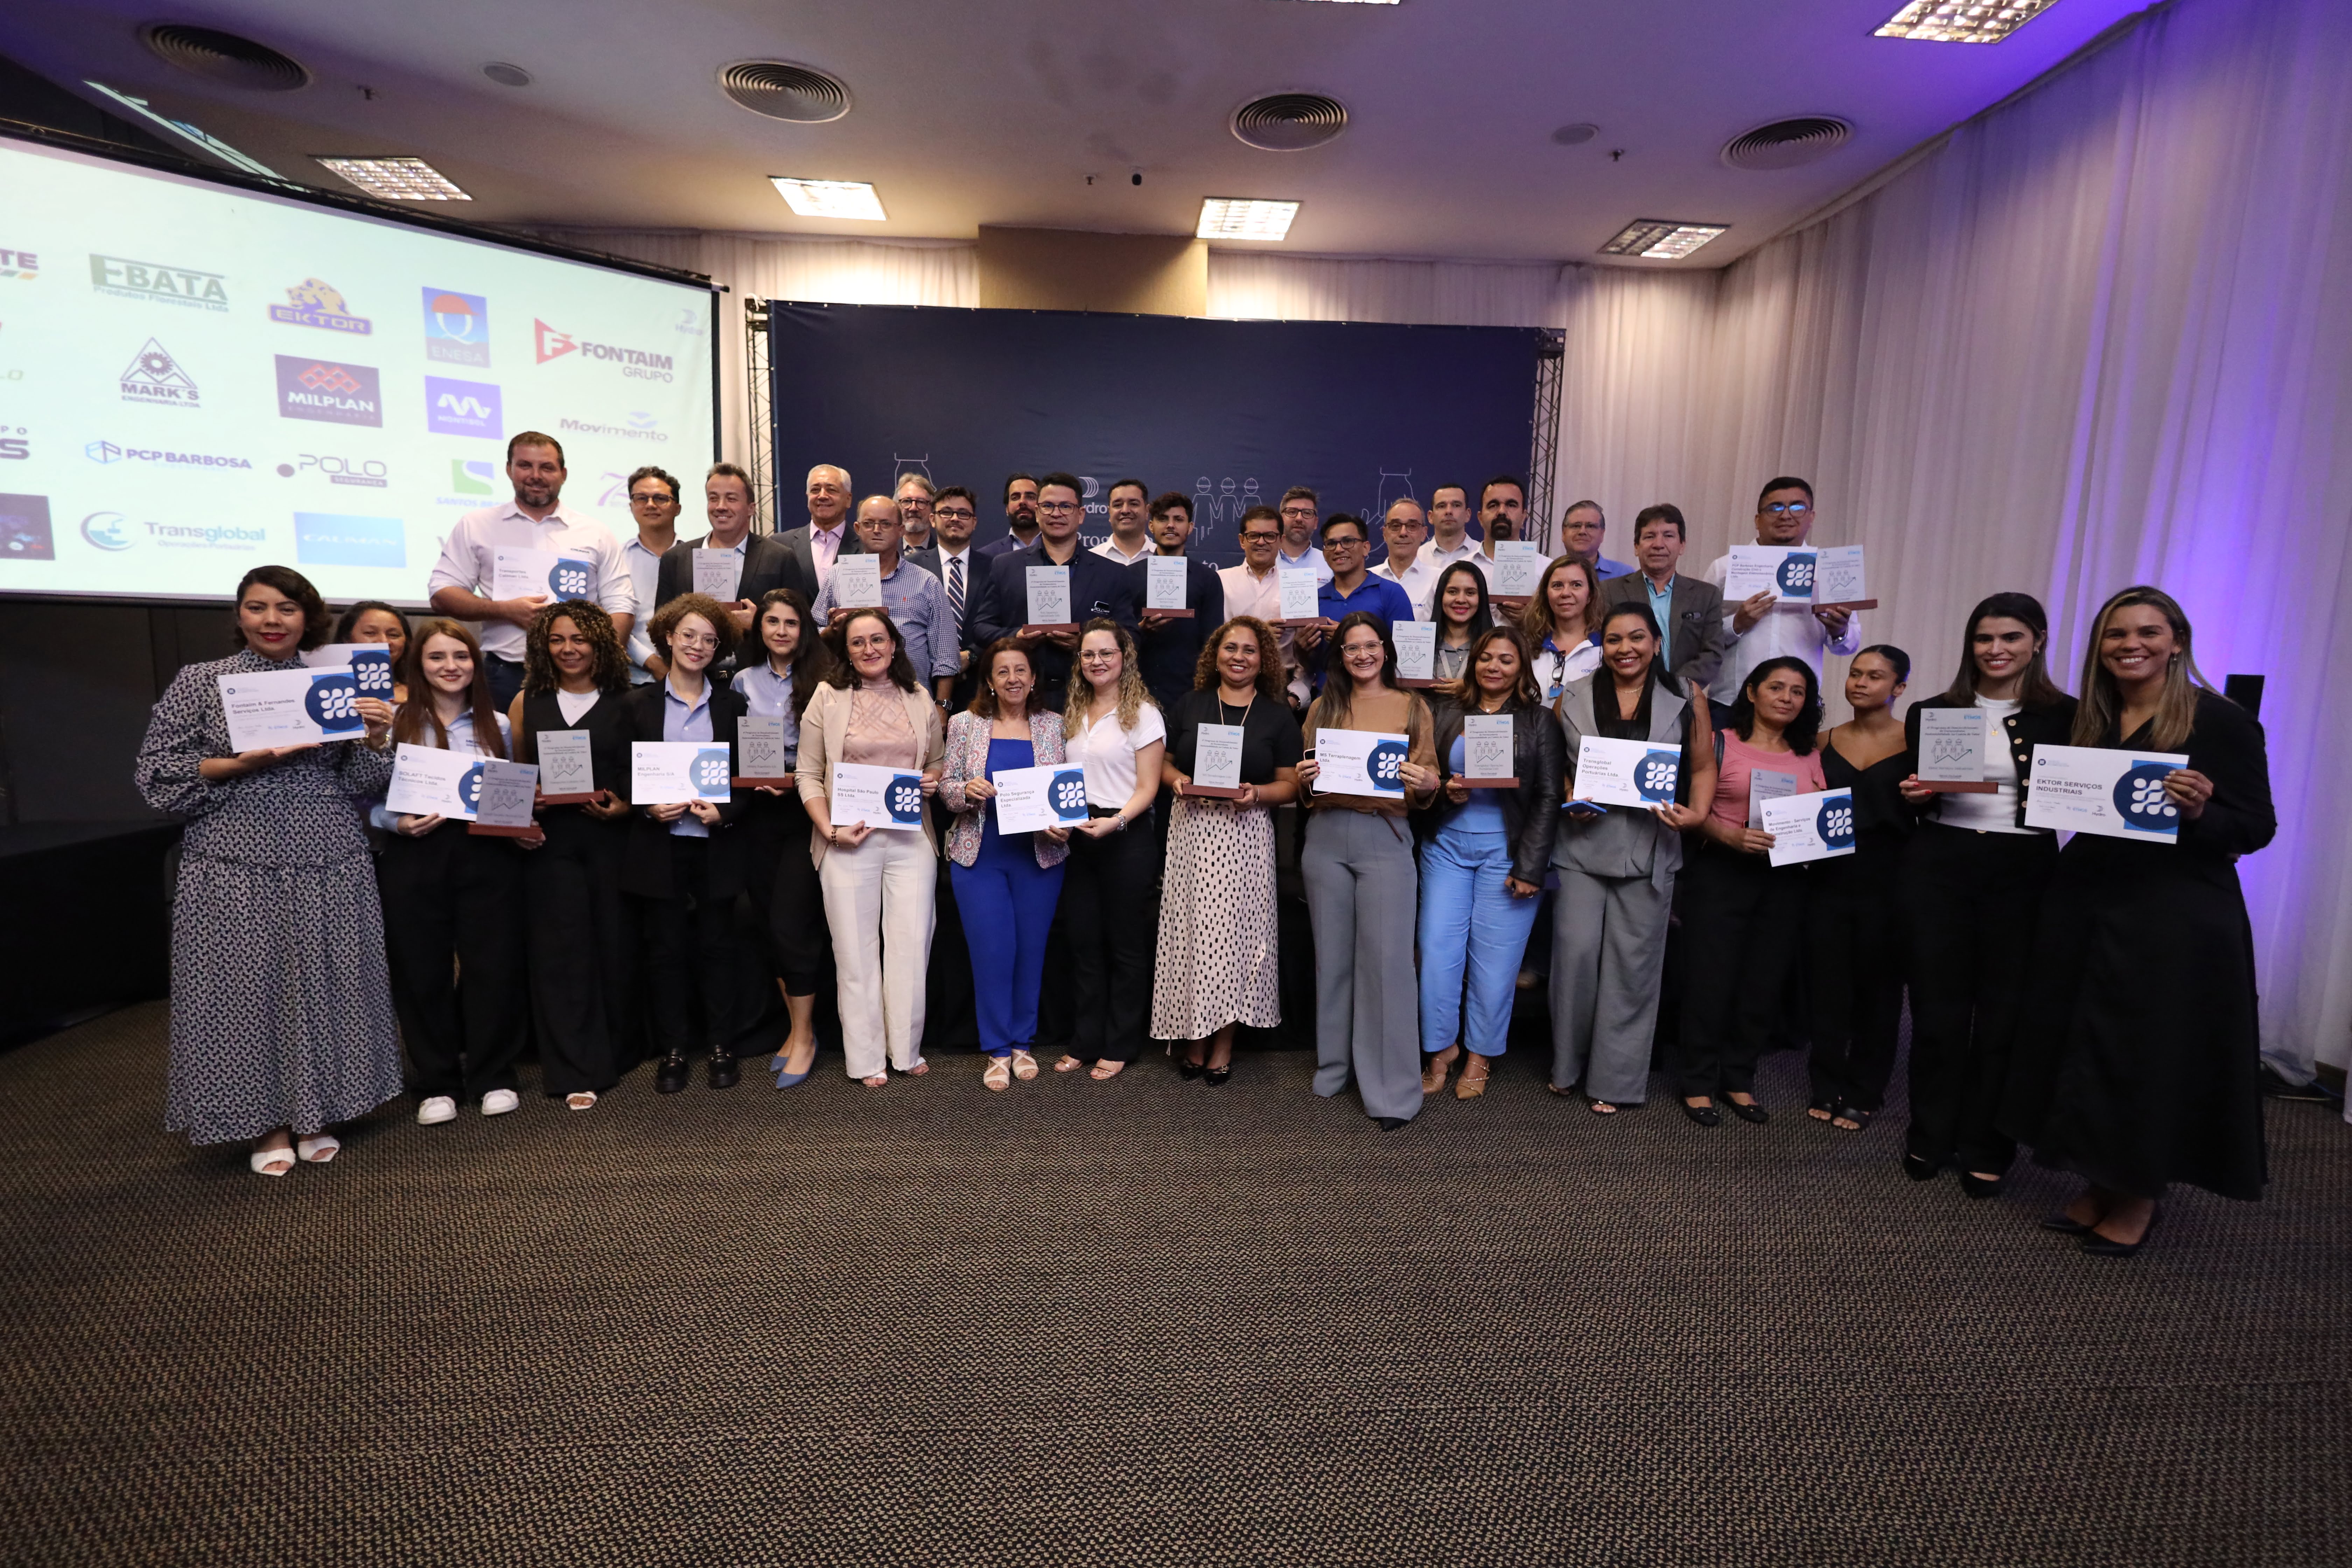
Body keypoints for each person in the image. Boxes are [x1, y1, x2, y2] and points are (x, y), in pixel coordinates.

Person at [2001, 587, 2275, 1256]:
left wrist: (2202, 812)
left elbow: (2257, 828)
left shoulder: (2221, 722)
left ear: (2177, 641)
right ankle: (2099, 1179)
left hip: (2173, 911)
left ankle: (2140, 1192)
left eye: (2148, 632)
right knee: (2086, 1041)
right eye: (2116, 633)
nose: (2131, 645)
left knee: (2150, 1052)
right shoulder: (2091, 717)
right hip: (2088, 900)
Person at [134, 565, 400, 1175]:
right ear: (239, 615)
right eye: (258, 608)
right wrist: (240, 763)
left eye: (286, 609)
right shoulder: (201, 681)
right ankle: (267, 1124)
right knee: (244, 992)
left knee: (331, 984)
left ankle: (320, 1112)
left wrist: (377, 738)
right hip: (234, 857)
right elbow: (157, 777)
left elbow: (361, 783)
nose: (272, 621)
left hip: (329, 853)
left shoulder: (334, 680)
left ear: (308, 618)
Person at [1893, 593, 2077, 1193]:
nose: (1996, 650)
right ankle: (1930, 1135)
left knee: (2004, 1019)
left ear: (2038, 641)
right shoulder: (1932, 710)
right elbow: (1918, 795)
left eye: (2011, 638)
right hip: (1940, 866)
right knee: (1937, 1014)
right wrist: (1914, 795)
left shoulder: (2069, 715)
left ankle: (1987, 1144)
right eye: (1984, 638)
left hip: (2024, 871)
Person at [1549, 605, 1714, 1114]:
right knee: (1575, 959)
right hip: (1583, 844)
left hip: (1650, 845)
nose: (1626, 649)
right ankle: (1567, 1065)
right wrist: (1569, 792)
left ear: (1657, 644)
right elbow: (1556, 765)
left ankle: (1615, 1080)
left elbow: (1703, 765)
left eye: (1637, 638)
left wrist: (1698, 814)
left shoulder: (1687, 695)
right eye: (1615, 639)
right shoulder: (1573, 694)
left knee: (1633, 967)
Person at [374, 617, 530, 1126]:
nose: (451, 666)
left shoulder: (497, 725)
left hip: (486, 855)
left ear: (476, 664)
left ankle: (493, 1074)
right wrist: (395, 822)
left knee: (492, 967)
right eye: (437, 656)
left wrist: (522, 823)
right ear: (419, 664)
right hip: (415, 853)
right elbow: (363, 797)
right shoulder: (395, 723)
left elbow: (509, 792)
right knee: (422, 970)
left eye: (461, 656)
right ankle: (437, 1081)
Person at [1296, 612, 1440, 1127]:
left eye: (1370, 645)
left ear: (1385, 650)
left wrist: (1427, 783)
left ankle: (1392, 1092)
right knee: (1332, 959)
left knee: (1387, 964)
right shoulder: (1322, 707)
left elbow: (1430, 781)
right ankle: (1336, 1066)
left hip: (1385, 836)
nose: (1362, 655)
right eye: (1351, 648)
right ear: (1340, 656)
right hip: (1326, 837)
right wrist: (1304, 778)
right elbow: (1308, 785)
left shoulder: (1412, 706)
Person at [797, 609, 948, 1086]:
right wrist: (830, 831)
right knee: (855, 953)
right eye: (858, 642)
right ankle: (865, 1059)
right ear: (845, 651)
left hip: (910, 840)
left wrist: (932, 780)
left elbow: (938, 761)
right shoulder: (827, 696)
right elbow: (807, 774)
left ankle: (905, 1050)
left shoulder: (918, 696)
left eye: (878, 640)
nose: (869, 650)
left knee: (911, 948)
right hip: (848, 840)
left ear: (894, 644)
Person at [1152, 616, 1303, 1084]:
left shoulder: (1277, 715)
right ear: (1215, 655)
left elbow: (1291, 784)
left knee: (1237, 941)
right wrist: (1177, 782)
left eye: (1249, 650)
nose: (1239, 657)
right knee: (1193, 938)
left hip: (1246, 837)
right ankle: (1194, 1035)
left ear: (1264, 660)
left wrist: (1257, 794)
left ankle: (1223, 1042)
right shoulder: (1190, 703)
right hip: (1192, 834)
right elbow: (1165, 764)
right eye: (1230, 648)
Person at [1676, 656, 1826, 1126]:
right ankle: (1697, 1081)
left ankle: (1739, 1079)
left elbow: (1820, 819)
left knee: (1762, 982)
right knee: (1709, 980)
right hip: (1721, 873)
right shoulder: (1719, 742)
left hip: (1785, 880)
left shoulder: (1810, 754)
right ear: (1751, 692)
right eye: (1776, 687)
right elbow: (1691, 812)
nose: (1787, 698)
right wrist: (1731, 836)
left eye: (1798, 691)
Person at [1417, 625, 1563, 1100]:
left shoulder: (1539, 721)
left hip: (1507, 854)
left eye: (1505, 659)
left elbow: (1548, 797)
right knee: (1437, 954)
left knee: (1495, 965)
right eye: (1485, 658)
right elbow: (1428, 778)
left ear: (1521, 669)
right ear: (1472, 663)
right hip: (1446, 849)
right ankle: (1442, 1048)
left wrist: (1531, 867)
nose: (1493, 667)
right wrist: (1446, 790)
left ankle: (1480, 1054)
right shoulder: (1445, 711)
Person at [620, 593, 755, 1094]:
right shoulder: (638, 704)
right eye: (689, 635)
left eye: (709, 640)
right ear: (669, 638)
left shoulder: (733, 705)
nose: (698, 646)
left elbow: (749, 775)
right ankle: (674, 1048)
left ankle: (721, 1044)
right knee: (666, 951)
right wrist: (646, 807)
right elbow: (621, 773)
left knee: (719, 948)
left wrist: (726, 812)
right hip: (660, 846)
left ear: (719, 648)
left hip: (715, 844)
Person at [506, 600, 637, 1110]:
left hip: (611, 840)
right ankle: (575, 1066)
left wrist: (624, 807)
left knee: (614, 945)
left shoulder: (629, 700)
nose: (569, 649)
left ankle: (619, 1049)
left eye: (579, 639)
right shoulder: (527, 701)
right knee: (562, 952)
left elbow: (638, 773)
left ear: (600, 643)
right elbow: (517, 773)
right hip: (551, 844)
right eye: (558, 639)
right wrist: (528, 803)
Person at [938, 640, 1072, 1088]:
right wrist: (965, 792)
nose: (1013, 678)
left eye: (1021, 670)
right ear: (990, 682)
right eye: (1003, 671)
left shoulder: (1055, 725)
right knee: (992, 953)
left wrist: (1065, 826)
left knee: (1031, 952)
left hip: (1039, 857)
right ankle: (997, 1048)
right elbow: (947, 788)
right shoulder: (965, 724)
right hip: (980, 857)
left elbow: (1066, 794)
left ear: (1034, 678)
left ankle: (1022, 1042)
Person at [427, 431, 635, 708]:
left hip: (582, 676)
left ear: (563, 474)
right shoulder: (476, 525)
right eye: (525, 466)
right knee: (503, 739)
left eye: (547, 468)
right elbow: (441, 593)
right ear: (509, 470)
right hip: (506, 676)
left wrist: (602, 662)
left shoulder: (595, 532)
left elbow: (621, 604)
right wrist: (504, 610)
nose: (536, 476)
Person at [1806, 644, 1912, 1132]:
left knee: (1881, 991)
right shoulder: (1822, 741)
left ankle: (1866, 1091)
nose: (1861, 683)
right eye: (1855, 673)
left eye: (1875, 676)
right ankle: (1826, 1082)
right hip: (1830, 877)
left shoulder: (1918, 743)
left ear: (1899, 687)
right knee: (1828, 987)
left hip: (1893, 880)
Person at [1054, 620, 1167, 1078]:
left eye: (1106, 653)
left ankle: (1120, 1044)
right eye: (1088, 654)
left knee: (1125, 946)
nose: (1097, 661)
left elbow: (1149, 787)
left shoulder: (1144, 714)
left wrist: (1116, 822)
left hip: (1126, 834)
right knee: (1083, 943)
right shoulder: (1072, 710)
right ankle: (1085, 1040)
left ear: (1124, 658)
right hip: (1079, 836)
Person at [733, 587, 834, 1088]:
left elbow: (835, 753)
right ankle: (795, 1031)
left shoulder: (826, 679)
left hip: (805, 810)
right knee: (766, 922)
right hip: (756, 812)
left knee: (792, 923)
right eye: (772, 622)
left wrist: (796, 781)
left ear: (805, 629)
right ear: (760, 628)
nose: (781, 631)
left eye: (791, 623)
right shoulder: (742, 680)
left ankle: (807, 1034)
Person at [970, 471, 1142, 704]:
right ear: (1037, 512)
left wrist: (1086, 644)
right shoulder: (1005, 566)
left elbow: (1131, 637)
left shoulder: (1112, 574)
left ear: (1081, 515)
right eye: (1048, 506)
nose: (1056, 513)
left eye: (1066, 506)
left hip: (1087, 698)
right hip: (1021, 699)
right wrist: (1016, 637)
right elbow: (981, 628)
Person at [1703, 477, 1861, 718]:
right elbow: (1699, 637)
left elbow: (1848, 646)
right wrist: (1736, 624)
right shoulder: (1724, 568)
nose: (1786, 515)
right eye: (1775, 508)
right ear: (1758, 520)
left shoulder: (1829, 570)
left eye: (1797, 507)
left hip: (1797, 705)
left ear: (1812, 517)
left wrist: (1839, 630)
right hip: (1732, 701)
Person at [649, 463, 814, 673]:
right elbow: (661, 626)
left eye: (731, 499)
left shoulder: (780, 557)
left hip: (759, 676)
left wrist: (759, 624)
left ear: (751, 508)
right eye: (713, 498)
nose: (720, 506)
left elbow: (802, 626)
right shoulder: (676, 559)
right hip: (693, 677)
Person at [813, 495, 960, 705]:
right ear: (857, 528)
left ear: (901, 530)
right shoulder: (837, 575)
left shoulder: (926, 582)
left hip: (911, 700)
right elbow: (812, 636)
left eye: (886, 524)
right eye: (869, 524)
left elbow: (946, 655)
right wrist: (831, 631)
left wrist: (942, 706)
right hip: (848, 699)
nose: (877, 530)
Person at [1600, 503, 1729, 697]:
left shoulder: (1706, 595)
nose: (1658, 545)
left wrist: (1672, 689)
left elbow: (1713, 653)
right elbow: (1602, 649)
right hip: (1624, 696)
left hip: (1683, 697)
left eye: (1668, 536)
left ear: (1682, 545)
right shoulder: (1609, 591)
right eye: (1650, 536)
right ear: (1636, 547)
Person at [1133, 492, 1225, 713]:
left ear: (1190, 527)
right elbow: (1118, 637)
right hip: (1138, 688)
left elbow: (1213, 642)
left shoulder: (1208, 579)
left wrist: (1205, 690)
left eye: (1179, 519)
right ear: (1151, 526)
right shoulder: (1130, 576)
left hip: (1191, 691)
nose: (1171, 525)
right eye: (1163, 519)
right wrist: (1141, 629)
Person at [1299, 513, 1415, 682]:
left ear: (1366, 548)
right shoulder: (1313, 600)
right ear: (1324, 553)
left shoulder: (1391, 593)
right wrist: (1302, 649)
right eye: (1331, 544)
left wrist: (1348, 637)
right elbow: (1312, 666)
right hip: (1328, 695)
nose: (1339, 549)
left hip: (1379, 694)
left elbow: (1407, 657)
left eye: (1348, 541)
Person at [1215, 506, 1309, 707]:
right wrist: (1261, 634)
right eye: (1254, 536)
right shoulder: (1220, 581)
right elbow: (1210, 638)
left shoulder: (1297, 585)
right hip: (1227, 683)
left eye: (1270, 536)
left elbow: (1305, 649)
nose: (1261, 542)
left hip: (1280, 687)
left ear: (1281, 541)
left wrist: (1295, 697)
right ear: (1242, 540)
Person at [907, 484, 983, 706]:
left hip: (981, 686)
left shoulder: (994, 568)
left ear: (974, 522)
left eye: (963, 514)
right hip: (922, 685)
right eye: (947, 512)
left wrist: (972, 655)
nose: (955, 519)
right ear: (933, 519)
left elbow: (1002, 623)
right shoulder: (911, 567)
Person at [619, 465, 685, 684]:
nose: (650, 505)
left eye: (660, 498)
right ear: (631, 506)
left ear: (677, 508)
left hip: (692, 678)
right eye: (641, 498)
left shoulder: (697, 558)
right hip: (632, 680)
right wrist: (652, 663)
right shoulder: (617, 559)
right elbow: (612, 620)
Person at [1521, 556, 1604, 702]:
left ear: (1590, 595)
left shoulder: (1605, 647)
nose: (1566, 593)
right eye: (1558, 586)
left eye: (1576, 585)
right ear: (1546, 594)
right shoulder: (1528, 646)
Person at [776, 463, 862, 593]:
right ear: (808, 497)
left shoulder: (866, 547)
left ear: (848, 499)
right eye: (815, 490)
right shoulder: (781, 545)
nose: (822, 496)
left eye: (831, 490)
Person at [1428, 560, 1497, 684]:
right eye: (1453, 592)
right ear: (1441, 596)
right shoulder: (1422, 643)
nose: (1461, 600)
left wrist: (1468, 688)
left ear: (1481, 598)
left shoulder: (1494, 646)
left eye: (1470, 593)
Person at [1369, 497, 1438, 619]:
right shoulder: (1367, 579)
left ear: (1424, 533)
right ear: (1385, 534)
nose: (1403, 533)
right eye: (1396, 526)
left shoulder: (1438, 579)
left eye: (1412, 526)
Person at [332, 600, 411, 701]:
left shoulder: (420, 692)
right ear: (347, 639)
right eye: (370, 633)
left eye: (393, 635)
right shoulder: (330, 689)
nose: (384, 641)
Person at [1468, 475, 1528, 585]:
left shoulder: (1545, 571)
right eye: (1493, 505)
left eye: (1511, 505)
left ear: (1524, 517)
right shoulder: (1459, 570)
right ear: (1480, 518)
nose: (1502, 512)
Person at [1560, 499, 1634, 581]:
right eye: (1576, 526)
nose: (1582, 532)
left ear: (1602, 534)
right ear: (1564, 533)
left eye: (1590, 526)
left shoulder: (1624, 575)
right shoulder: (1551, 572)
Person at [1275, 486, 1333, 584]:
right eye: (1292, 512)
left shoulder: (1330, 563)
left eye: (1307, 513)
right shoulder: (1264, 562)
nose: (1299, 519)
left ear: (1316, 523)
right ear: (1280, 520)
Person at [978, 473, 1041, 559]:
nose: (1022, 502)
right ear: (1007, 509)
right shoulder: (986, 557)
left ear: (1042, 506)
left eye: (1030, 497)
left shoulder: (1059, 551)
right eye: (1015, 498)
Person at [1092, 478, 1153, 565]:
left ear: (1147, 511)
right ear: (1110, 512)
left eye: (1134, 504)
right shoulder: (1091, 559)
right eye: (1118, 505)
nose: (1125, 511)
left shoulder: (1163, 559)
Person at [1424, 483, 1479, 574]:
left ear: (1468, 514)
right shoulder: (1417, 558)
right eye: (1442, 506)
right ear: (1431, 517)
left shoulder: (1483, 556)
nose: (1449, 511)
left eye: (1456, 505)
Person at [895, 471, 937, 552]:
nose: (913, 508)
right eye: (907, 501)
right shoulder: (884, 551)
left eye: (921, 502)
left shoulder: (943, 554)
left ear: (932, 509)